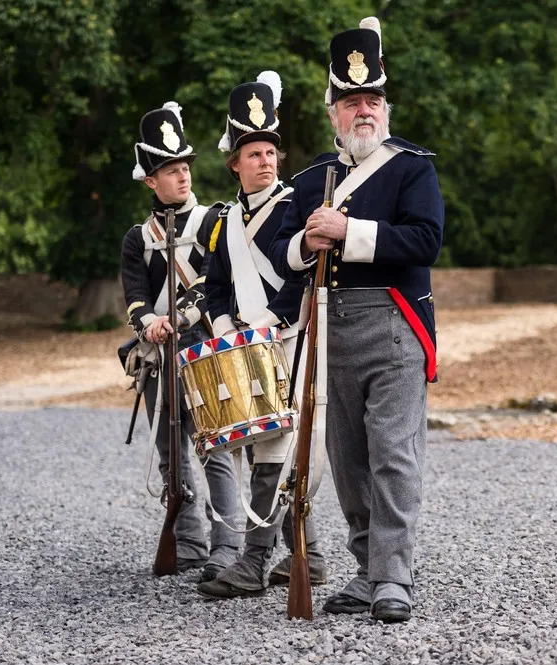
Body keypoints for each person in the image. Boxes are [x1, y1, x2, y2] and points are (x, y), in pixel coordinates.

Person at [268, 16, 444, 623]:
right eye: (351, 102)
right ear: (332, 111)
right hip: (331, 328)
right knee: (347, 460)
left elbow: (426, 240)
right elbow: (282, 253)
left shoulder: (412, 168)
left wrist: (348, 231)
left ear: (385, 106)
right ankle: (368, 570)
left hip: (394, 323)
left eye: (372, 100)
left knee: (394, 453)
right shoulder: (313, 176)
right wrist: (306, 245)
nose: (363, 111)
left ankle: (394, 577)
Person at [196, 72, 329, 600]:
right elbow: (215, 287)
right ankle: (311, 555)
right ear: (235, 163)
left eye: (270, 151)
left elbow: (302, 273)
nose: (266, 160)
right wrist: (230, 332)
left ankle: (253, 562)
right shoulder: (221, 222)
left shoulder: (297, 205)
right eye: (254, 153)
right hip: (245, 349)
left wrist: (270, 324)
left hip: (292, 340)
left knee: (282, 450)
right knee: (262, 446)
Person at [119, 101, 242, 581]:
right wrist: (148, 322)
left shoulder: (212, 221)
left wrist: (183, 315)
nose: (182, 176)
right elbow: (134, 297)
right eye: (170, 170)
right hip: (159, 354)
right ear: (150, 180)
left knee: (215, 446)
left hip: (203, 347)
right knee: (172, 454)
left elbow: (216, 282)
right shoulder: (137, 238)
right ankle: (187, 540)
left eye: (184, 166)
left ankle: (227, 545)